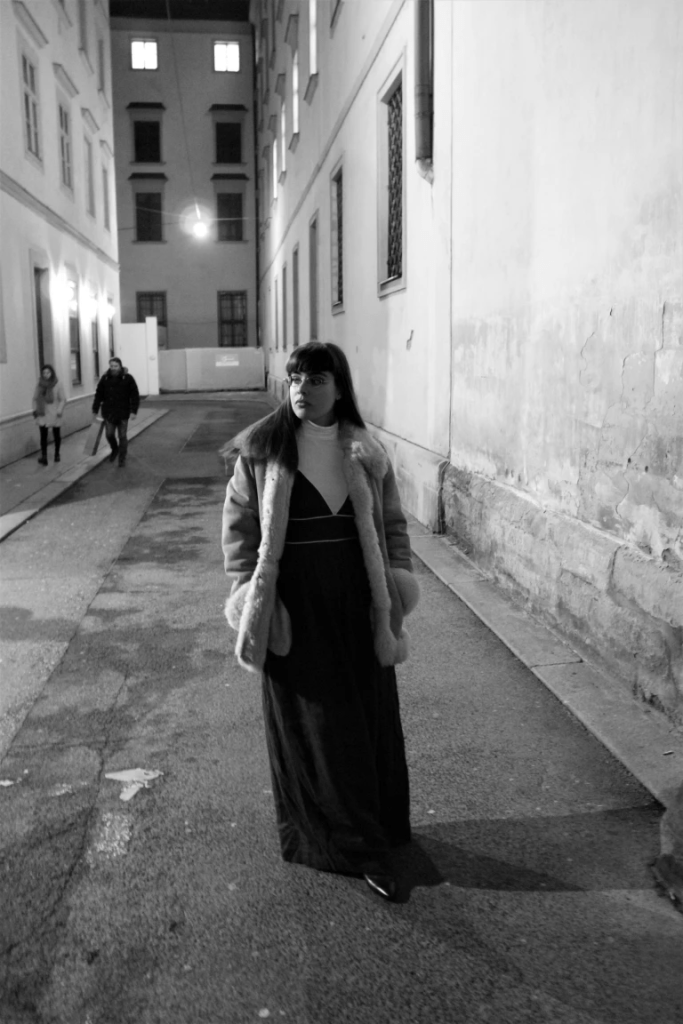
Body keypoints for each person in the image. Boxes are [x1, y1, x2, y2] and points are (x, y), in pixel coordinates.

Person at [222, 342, 420, 901]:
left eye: (315, 379)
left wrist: (397, 580)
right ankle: (353, 847)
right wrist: (247, 592)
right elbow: (240, 529)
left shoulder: (366, 451)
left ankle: (377, 831)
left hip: (359, 603)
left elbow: (392, 524)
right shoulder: (263, 449)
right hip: (296, 607)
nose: (301, 389)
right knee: (317, 726)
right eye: (294, 379)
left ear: (339, 386)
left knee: (365, 719)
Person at [92, 357, 139, 467]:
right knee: (109, 434)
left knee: (122, 436)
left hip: (123, 412)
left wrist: (133, 411)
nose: (113, 368)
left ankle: (122, 458)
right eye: (111, 366)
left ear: (120, 366)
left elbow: (134, 395)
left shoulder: (128, 378)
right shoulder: (105, 378)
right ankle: (115, 449)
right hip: (109, 412)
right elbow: (98, 394)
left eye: (115, 366)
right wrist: (95, 409)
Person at [32, 364, 66, 465]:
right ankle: (44, 456)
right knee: (43, 436)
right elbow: (35, 398)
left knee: (56, 435)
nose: (46, 374)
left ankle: (57, 454)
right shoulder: (39, 384)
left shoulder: (58, 384)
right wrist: (35, 410)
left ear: (52, 373)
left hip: (55, 413)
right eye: (44, 373)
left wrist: (59, 410)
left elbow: (63, 399)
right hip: (42, 413)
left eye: (48, 372)